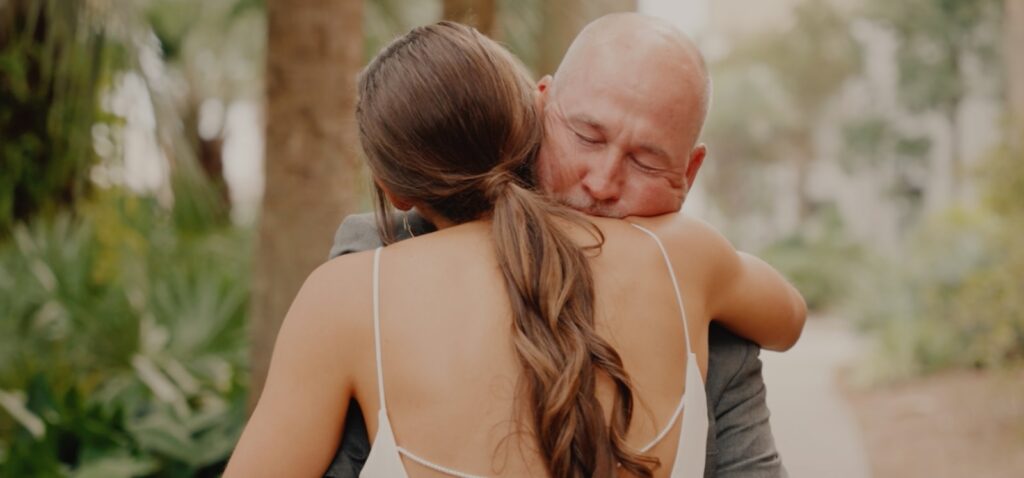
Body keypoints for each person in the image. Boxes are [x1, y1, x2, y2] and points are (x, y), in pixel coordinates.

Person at [226, 19, 805, 478]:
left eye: (646, 160)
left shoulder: (700, 292)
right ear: (538, 107)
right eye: (586, 136)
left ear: (690, 171)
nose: (602, 182)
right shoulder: (369, 269)